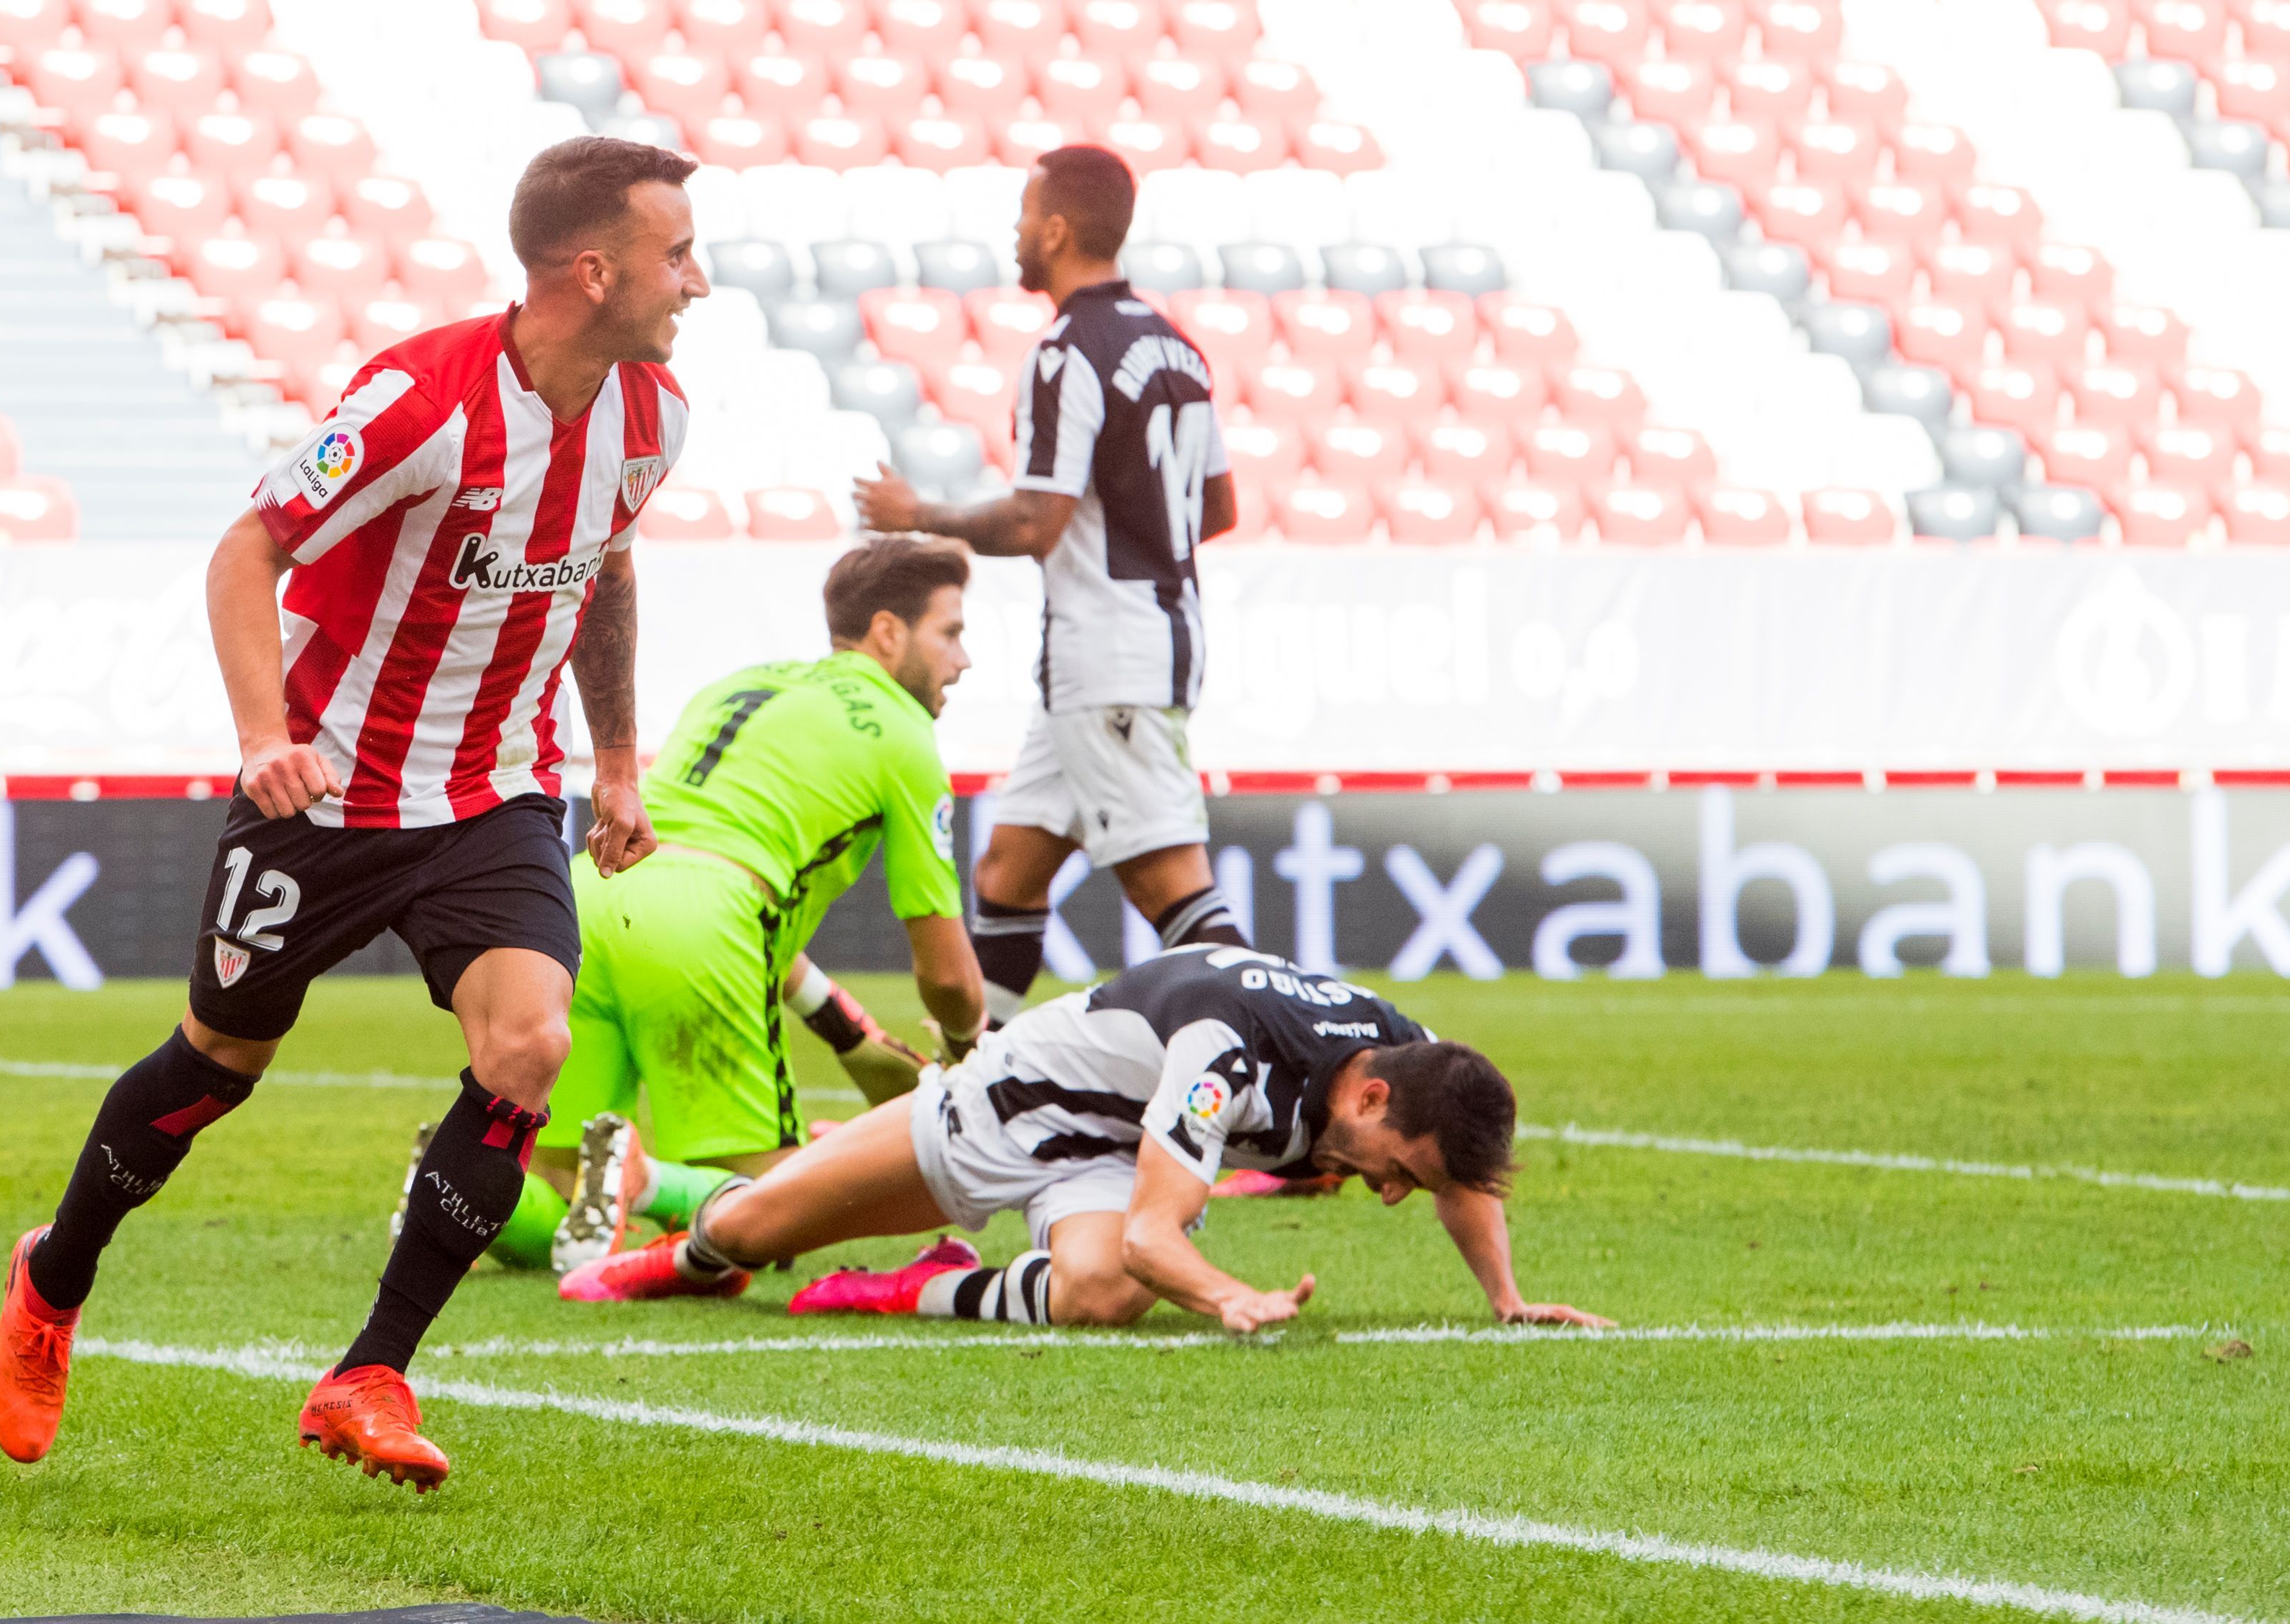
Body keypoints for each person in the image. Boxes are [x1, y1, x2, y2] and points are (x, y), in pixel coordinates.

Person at [0, 135, 707, 1492]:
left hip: (494, 792)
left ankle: (369, 1371)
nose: (699, 281)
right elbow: (248, 548)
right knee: (212, 1069)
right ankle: (55, 1275)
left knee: (529, 1044)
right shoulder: (414, 401)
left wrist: (614, 755)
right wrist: (266, 736)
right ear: (595, 269)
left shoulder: (652, 412)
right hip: (329, 792)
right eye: (678, 255)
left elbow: (603, 566)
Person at [560, 945, 1612, 1336]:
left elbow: (1458, 1174)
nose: (1390, 1195)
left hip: (1121, 1138)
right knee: (748, 1231)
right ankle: (684, 1242)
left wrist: (1506, 1301)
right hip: (1011, 1114)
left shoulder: (1409, 1059)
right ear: (1372, 1101)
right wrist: (1226, 1296)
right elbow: (1160, 1235)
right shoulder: (1223, 1050)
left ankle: (902, 1286)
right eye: (1398, 1173)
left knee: (1103, 1294)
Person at [487, 536, 990, 1276]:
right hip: (709, 921)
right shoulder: (904, 735)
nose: (962, 659)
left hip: (588, 895)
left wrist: (845, 1030)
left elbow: (710, 870)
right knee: (774, 1217)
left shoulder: (744, 682)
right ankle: (648, 1177)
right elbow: (947, 979)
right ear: (889, 632)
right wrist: (965, 1056)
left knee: (564, 1194)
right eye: (950, 632)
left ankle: (459, 1183)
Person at [852, 144, 1249, 1024]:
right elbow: (1216, 507)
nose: (1018, 233)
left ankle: (1298, 1094)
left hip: (1106, 657)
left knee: (1178, 900)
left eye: (1026, 216)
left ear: (1058, 228)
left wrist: (919, 513)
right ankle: (976, 1088)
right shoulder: (1176, 349)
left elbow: (1037, 524)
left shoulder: (1069, 351)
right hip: (1135, 645)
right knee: (1008, 877)